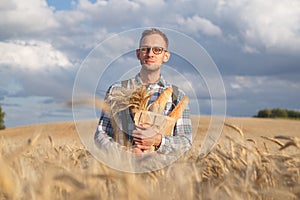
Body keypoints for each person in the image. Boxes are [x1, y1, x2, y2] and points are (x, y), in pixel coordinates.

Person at [94, 28, 192, 155]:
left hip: (161, 172)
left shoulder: (177, 96)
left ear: (165, 56)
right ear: (138, 54)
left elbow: (186, 142)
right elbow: (101, 135)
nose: (150, 54)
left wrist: (157, 141)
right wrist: (125, 152)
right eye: (145, 49)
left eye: (157, 50)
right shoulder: (117, 90)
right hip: (121, 169)